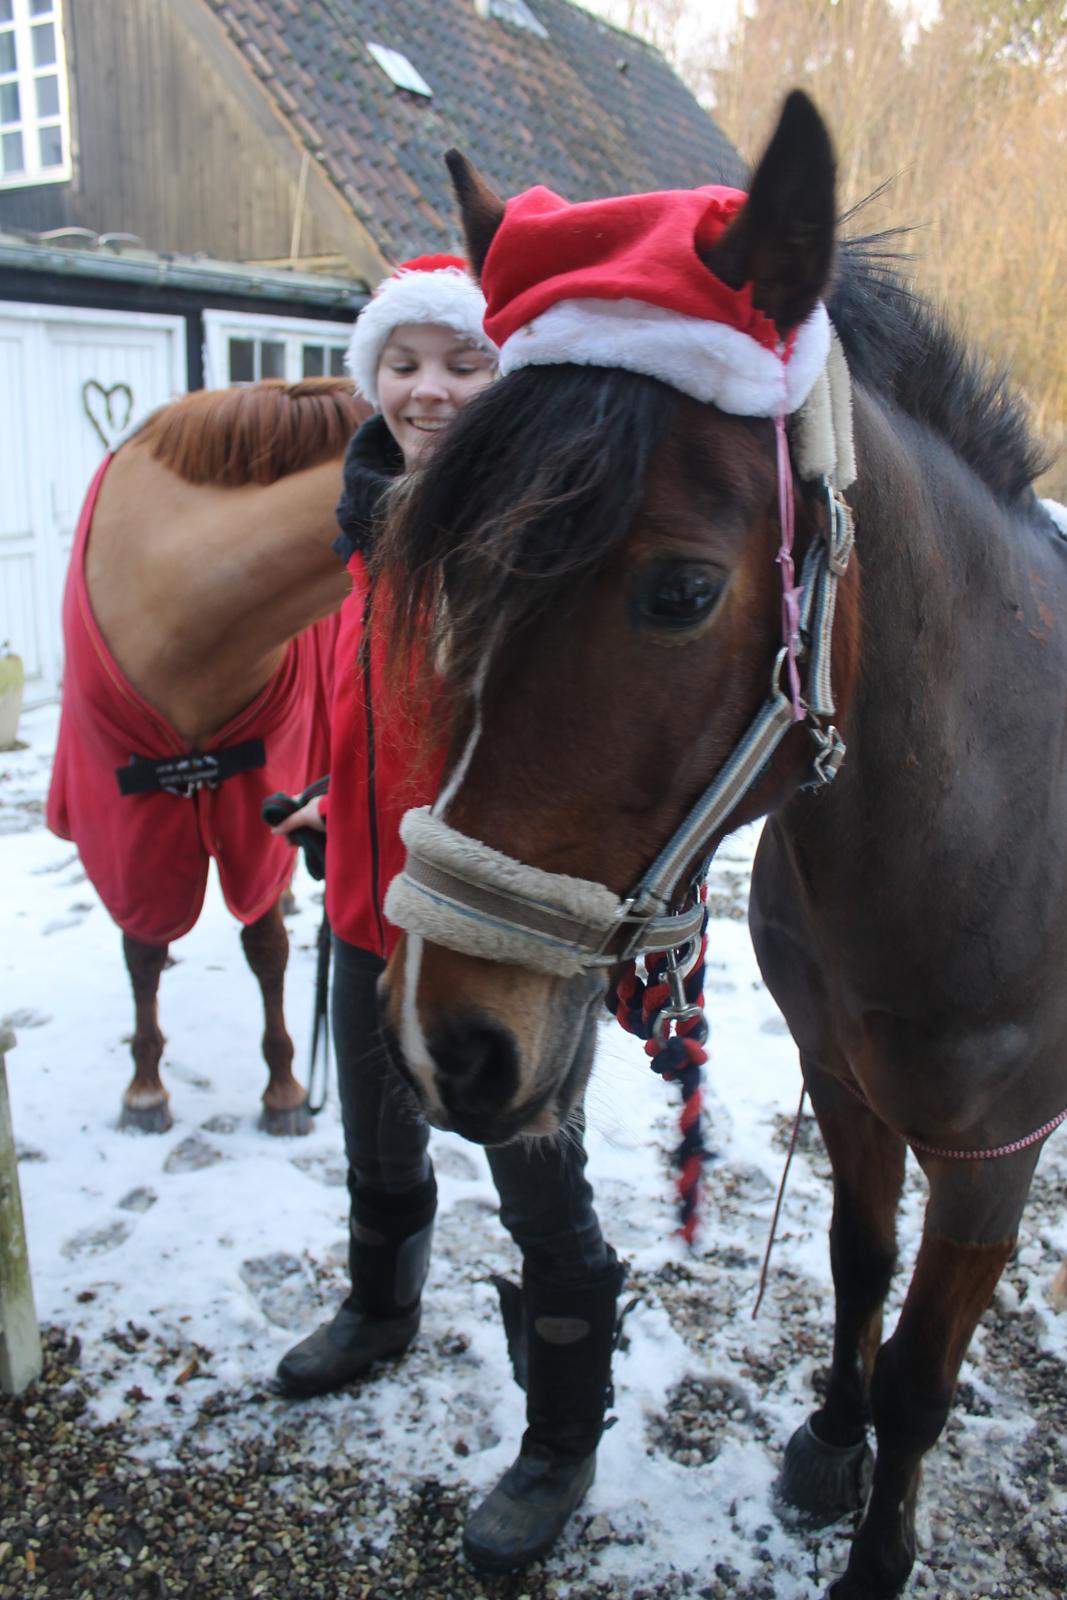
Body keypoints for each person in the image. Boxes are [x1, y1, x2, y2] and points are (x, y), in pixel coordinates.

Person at [271, 256, 624, 1574]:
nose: (429, 390)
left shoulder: (551, 533)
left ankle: (562, 1434)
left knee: (538, 1185)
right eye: (405, 361)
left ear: (512, 379)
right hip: (366, 905)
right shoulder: (367, 522)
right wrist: (329, 792)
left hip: (492, 933)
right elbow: (381, 707)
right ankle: (380, 1308)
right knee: (377, 1144)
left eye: (466, 362)